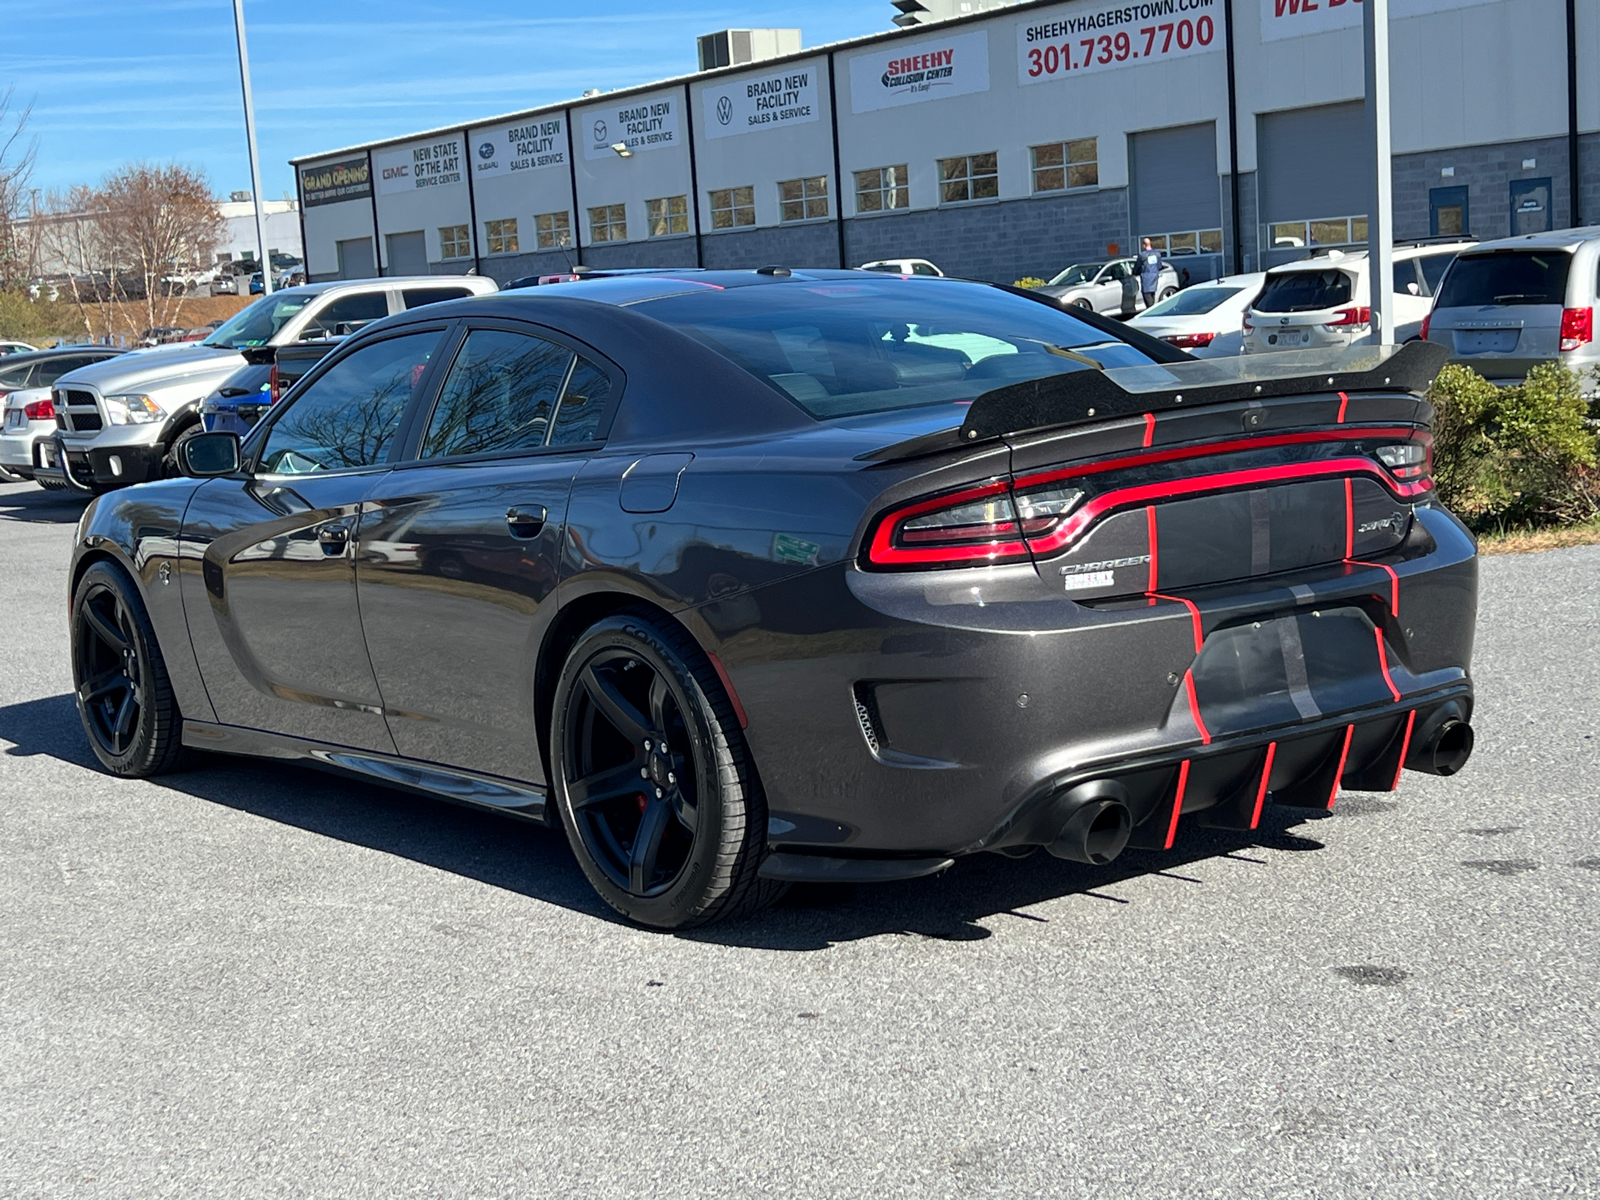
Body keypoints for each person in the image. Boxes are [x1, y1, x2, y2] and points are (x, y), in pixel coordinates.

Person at [1136, 238, 1164, 310]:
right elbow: (1160, 266)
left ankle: (1151, 311)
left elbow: (1137, 267)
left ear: (1144, 245)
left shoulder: (1142, 255)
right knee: (1152, 295)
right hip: (1154, 277)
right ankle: (1152, 310)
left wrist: (1135, 272)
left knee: (1147, 297)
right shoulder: (1157, 254)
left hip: (1146, 278)